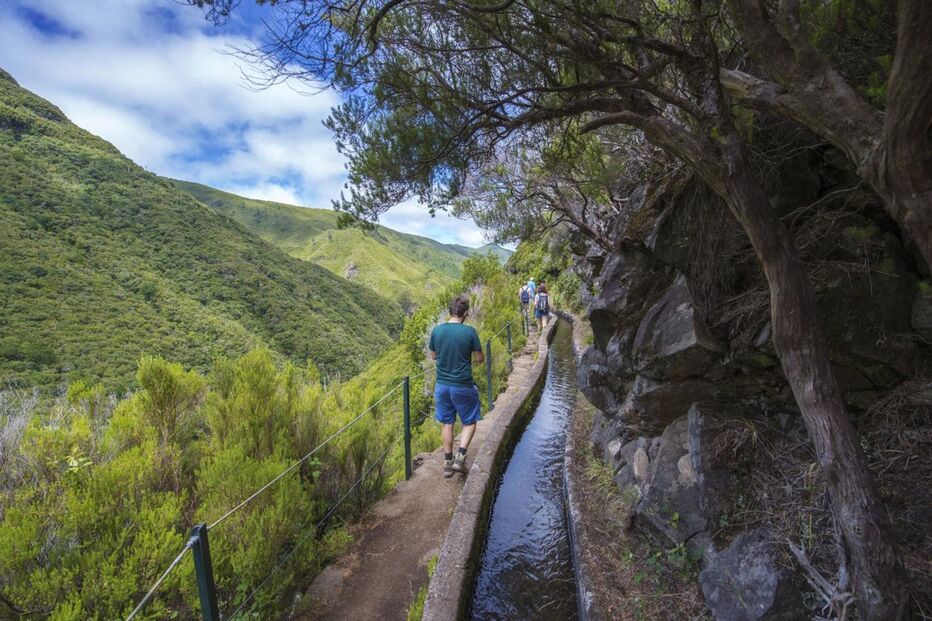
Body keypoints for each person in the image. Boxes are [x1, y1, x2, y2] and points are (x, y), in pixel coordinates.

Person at [428, 295, 485, 477]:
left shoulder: (437, 331)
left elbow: (433, 356)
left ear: (449, 311)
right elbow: (479, 358)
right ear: (466, 313)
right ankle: (460, 458)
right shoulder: (469, 332)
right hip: (462, 385)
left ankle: (447, 463)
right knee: (469, 421)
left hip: (442, 385)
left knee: (447, 423)